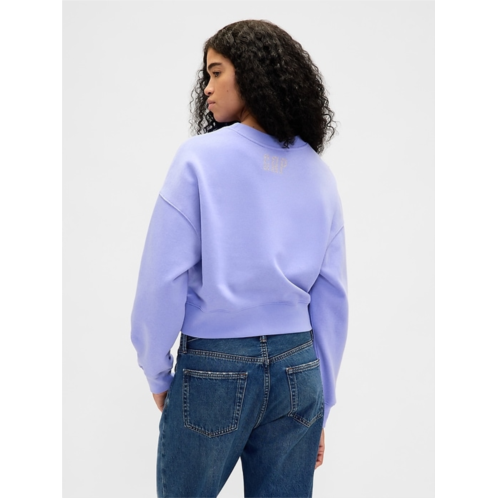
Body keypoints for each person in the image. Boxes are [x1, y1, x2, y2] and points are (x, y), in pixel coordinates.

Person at [130, 19, 348, 498]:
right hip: (298, 369)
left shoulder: (199, 159)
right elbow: (332, 298)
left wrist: (156, 370)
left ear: (250, 74)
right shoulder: (318, 172)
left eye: (216, 72)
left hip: (215, 364)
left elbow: (161, 278)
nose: (206, 88)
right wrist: (322, 404)